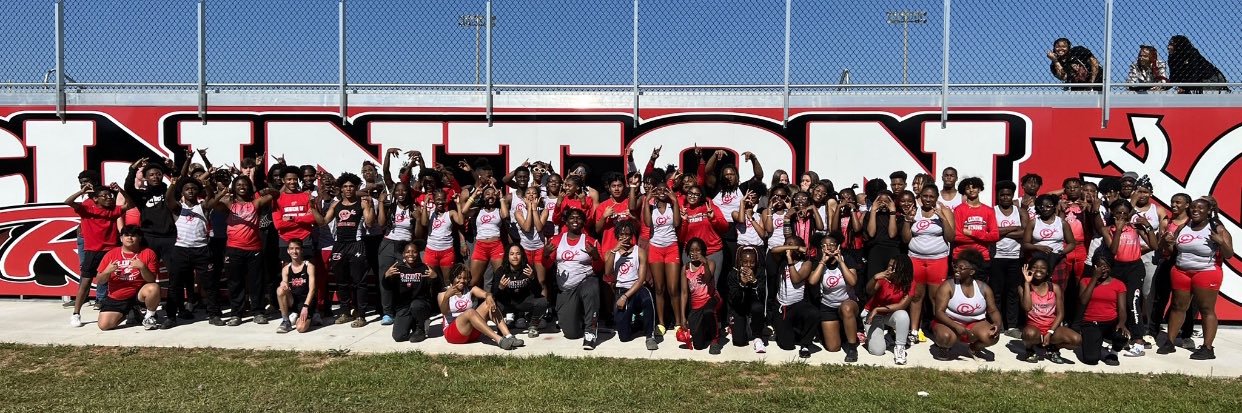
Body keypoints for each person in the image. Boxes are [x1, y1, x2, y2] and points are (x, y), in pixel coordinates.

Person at [1159, 197, 1233, 360]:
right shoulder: (1184, 227)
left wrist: (1221, 242)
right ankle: (1170, 342)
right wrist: (1167, 242)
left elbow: (1229, 254)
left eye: (1200, 208)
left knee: (1206, 309)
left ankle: (1207, 348)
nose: (1195, 210)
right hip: (1181, 271)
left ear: (1208, 211)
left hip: (1206, 272)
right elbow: (1172, 251)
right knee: (1177, 306)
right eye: (1193, 207)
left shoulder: (1217, 228)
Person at [164, 151, 224, 328]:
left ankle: (214, 314)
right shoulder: (178, 208)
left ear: (197, 192)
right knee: (175, 285)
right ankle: (171, 316)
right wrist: (172, 185)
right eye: (187, 189)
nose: (190, 190)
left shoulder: (202, 207)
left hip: (201, 250)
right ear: (182, 192)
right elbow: (168, 199)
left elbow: (211, 199)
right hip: (181, 249)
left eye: (193, 188)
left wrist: (207, 186)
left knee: (210, 284)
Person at [1096, 199, 1157, 356]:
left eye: (1125, 213)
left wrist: (1147, 226)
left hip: (1134, 269)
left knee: (1133, 302)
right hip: (1116, 268)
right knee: (1117, 302)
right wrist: (1118, 230)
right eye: (1118, 213)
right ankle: (1119, 335)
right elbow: (1113, 250)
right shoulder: (1106, 229)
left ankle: (1138, 340)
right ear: (1112, 213)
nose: (1122, 216)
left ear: (1129, 214)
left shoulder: (1135, 228)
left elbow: (1154, 245)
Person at [218, 175, 276, 326]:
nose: (242, 187)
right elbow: (211, 204)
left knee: (256, 283)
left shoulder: (256, 203)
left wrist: (265, 190)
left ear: (250, 187)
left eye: (245, 184)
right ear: (234, 188)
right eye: (238, 184)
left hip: (254, 249)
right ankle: (236, 314)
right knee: (235, 283)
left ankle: (258, 312)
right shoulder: (228, 203)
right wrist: (220, 193)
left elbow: (276, 194)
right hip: (233, 249)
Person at [65, 183, 125, 327]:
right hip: (93, 252)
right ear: (96, 199)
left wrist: (120, 190)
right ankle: (76, 314)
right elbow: (68, 202)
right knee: (85, 283)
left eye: (110, 195)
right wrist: (81, 191)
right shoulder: (86, 210)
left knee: (118, 280)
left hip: (111, 251)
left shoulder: (114, 211)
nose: (109, 198)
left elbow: (130, 205)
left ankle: (126, 310)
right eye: (105, 196)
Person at [902, 184, 954, 344]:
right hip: (915, 259)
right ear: (920, 197)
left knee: (936, 297)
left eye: (932, 196)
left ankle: (939, 329)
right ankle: (914, 330)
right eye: (925, 196)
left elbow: (951, 237)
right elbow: (905, 239)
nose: (928, 199)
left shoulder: (944, 211)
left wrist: (942, 218)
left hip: (938, 260)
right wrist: (907, 221)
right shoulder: (914, 211)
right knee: (916, 296)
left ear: (937, 197)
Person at [930, 249, 1003, 361]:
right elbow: (939, 312)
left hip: (974, 324)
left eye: (961, 268)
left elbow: (993, 310)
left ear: (972, 272)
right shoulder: (948, 286)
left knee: (992, 336)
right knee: (945, 338)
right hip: (949, 322)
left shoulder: (984, 288)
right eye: (956, 267)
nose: (957, 270)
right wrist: (956, 326)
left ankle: (973, 348)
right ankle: (944, 348)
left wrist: (997, 323)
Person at [324, 173, 376, 327]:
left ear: (356, 188)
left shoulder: (362, 203)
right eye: (345, 186)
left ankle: (361, 315)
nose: (348, 189)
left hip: (356, 244)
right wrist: (313, 208)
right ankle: (345, 312)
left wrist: (370, 206)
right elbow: (323, 221)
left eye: (351, 186)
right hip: (339, 245)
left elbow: (370, 223)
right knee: (341, 281)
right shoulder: (335, 205)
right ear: (341, 189)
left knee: (359, 282)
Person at [546, 207, 602, 349]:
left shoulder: (591, 241)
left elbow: (599, 269)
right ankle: (580, 318)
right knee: (571, 333)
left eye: (579, 218)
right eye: (572, 218)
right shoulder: (556, 240)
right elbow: (547, 265)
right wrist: (545, 255)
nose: (575, 220)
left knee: (592, 286)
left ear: (583, 222)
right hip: (566, 288)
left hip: (585, 281)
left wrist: (596, 257)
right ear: (566, 222)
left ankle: (590, 331)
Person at [437, 265, 524, 350]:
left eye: (465, 278)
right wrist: (446, 297)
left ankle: (509, 336)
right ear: (453, 277)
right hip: (454, 334)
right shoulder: (443, 293)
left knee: (489, 303)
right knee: (470, 312)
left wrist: (488, 296)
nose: (462, 281)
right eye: (459, 278)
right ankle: (499, 340)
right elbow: (444, 312)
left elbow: (486, 294)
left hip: (471, 333)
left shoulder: (470, 289)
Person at [94, 225, 161, 331]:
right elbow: (100, 280)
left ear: (140, 238)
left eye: (133, 235)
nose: (129, 238)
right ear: (121, 238)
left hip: (138, 295)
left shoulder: (148, 253)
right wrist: (107, 271)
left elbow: (151, 280)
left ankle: (149, 317)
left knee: (153, 288)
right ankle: (131, 313)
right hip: (117, 297)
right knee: (104, 326)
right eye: (126, 235)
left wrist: (142, 267)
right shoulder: (111, 254)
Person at [604, 221, 657, 350]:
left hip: (636, 287)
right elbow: (607, 272)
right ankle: (636, 322)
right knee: (624, 337)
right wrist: (614, 251)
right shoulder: (611, 253)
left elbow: (641, 279)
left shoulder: (640, 251)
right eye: (621, 234)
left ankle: (650, 336)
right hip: (621, 289)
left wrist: (625, 297)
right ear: (617, 235)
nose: (625, 237)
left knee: (647, 298)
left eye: (627, 234)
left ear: (632, 235)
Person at [1019, 256, 1081, 364]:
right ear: (1029, 270)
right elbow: (1027, 308)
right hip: (1034, 328)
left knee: (1076, 340)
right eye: (1034, 267)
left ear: (1048, 272)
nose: (1038, 270)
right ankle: (1030, 350)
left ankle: (1052, 349)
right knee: (1029, 334)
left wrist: (1050, 332)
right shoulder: (1023, 288)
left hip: (1052, 328)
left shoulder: (1055, 288)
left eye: (1043, 268)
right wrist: (1026, 283)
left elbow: (1060, 314)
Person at [642, 170, 682, 334]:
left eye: (664, 190)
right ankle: (661, 323)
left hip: (671, 247)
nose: (661, 192)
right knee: (659, 288)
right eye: (658, 190)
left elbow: (677, 223)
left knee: (673, 288)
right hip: (655, 248)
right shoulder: (651, 207)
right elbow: (647, 223)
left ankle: (678, 322)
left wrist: (675, 201)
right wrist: (646, 201)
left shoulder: (672, 205)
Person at [811, 235, 861, 362]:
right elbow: (812, 281)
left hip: (848, 303)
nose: (829, 248)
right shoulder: (818, 262)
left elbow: (852, 281)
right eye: (825, 246)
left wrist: (841, 262)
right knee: (833, 347)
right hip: (828, 306)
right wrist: (823, 262)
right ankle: (843, 333)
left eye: (832, 245)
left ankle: (852, 348)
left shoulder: (847, 259)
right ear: (821, 248)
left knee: (846, 308)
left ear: (838, 246)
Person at [1075, 253, 1131, 366]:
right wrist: (1094, 278)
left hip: (1110, 322)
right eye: (1100, 267)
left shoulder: (1119, 284)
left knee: (1122, 335)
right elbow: (1083, 301)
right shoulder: (1085, 281)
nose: (1103, 270)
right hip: (1090, 322)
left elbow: (1122, 308)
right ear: (1094, 267)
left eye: (1106, 267)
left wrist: (1122, 323)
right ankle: (1095, 345)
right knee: (1091, 360)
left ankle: (1114, 352)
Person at [769, 236, 819, 358]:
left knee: (814, 313)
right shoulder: (781, 261)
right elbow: (773, 250)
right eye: (786, 244)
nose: (787, 246)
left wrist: (790, 261)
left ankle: (805, 344)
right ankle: (788, 332)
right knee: (787, 345)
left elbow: (796, 279)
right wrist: (795, 247)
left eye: (791, 244)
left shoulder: (806, 263)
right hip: (782, 306)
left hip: (798, 304)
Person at [862, 256, 914, 365]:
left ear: (902, 269)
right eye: (889, 265)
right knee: (877, 351)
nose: (889, 269)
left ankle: (900, 348)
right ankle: (885, 338)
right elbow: (869, 291)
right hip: (872, 315)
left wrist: (878, 309)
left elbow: (902, 305)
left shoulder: (910, 282)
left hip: (889, 314)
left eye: (893, 267)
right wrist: (875, 278)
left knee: (903, 315)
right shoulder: (883, 278)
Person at [492, 245, 549, 338]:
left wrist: (532, 278)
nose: (515, 256)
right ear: (507, 256)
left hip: (524, 302)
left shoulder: (528, 269)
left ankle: (533, 325)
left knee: (542, 301)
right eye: (512, 254)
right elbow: (494, 294)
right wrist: (500, 288)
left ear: (522, 255)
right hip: (508, 304)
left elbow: (538, 292)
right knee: (493, 303)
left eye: (518, 253)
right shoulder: (501, 271)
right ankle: (503, 326)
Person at [992, 181, 1026, 336]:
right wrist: (1013, 228)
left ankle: (1012, 326)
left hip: (1016, 257)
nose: (1005, 197)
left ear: (1012, 195)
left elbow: (1025, 232)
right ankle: (997, 324)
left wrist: (1002, 231)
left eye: (1008, 195)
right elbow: (992, 232)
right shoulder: (992, 211)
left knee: (1013, 292)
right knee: (996, 292)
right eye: (1002, 195)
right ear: (998, 196)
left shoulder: (1020, 212)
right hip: (997, 256)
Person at [386, 242, 438, 341]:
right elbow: (388, 288)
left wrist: (435, 278)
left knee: (416, 305)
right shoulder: (398, 269)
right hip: (404, 307)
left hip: (420, 304)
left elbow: (435, 288)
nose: (411, 254)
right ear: (403, 254)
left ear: (418, 254)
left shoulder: (424, 268)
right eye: (408, 252)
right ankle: (412, 323)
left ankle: (421, 328)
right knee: (398, 337)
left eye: (414, 252)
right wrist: (386, 277)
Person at [680, 238, 722, 353]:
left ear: (703, 251)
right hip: (696, 305)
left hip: (710, 298)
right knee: (698, 345)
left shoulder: (710, 263)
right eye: (692, 250)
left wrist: (705, 263)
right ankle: (706, 331)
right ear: (688, 252)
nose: (695, 253)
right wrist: (683, 316)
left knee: (709, 311)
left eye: (698, 250)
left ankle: (715, 340)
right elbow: (684, 293)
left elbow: (707, 279)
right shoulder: (686, 268)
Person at [726, 246, 768, 353]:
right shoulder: (733, 274)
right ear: (740, 262)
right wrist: (742, 284)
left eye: (752, 262)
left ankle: (758, 336)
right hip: (738, 307)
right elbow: (734, 299)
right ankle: (738, 325)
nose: (749, 265)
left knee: (758, 307)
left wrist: (754, 282)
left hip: (754, 305)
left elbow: (761, 296)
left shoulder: (760, 272)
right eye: (745, 262)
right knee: (739, 342)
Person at [276, 238, 317, 334]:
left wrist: (306, 307)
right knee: (280, 290)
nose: (294, 251)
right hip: (294, 300)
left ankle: (313, 315)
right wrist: (283, 283)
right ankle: (286, 321)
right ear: (288, 251)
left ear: (302, 250)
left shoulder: (309, 266)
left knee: (300, 328)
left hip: (306, 301)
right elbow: (284, 285)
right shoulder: (286, 269)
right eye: (291, 248)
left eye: (297, 248)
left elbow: (312, 289)